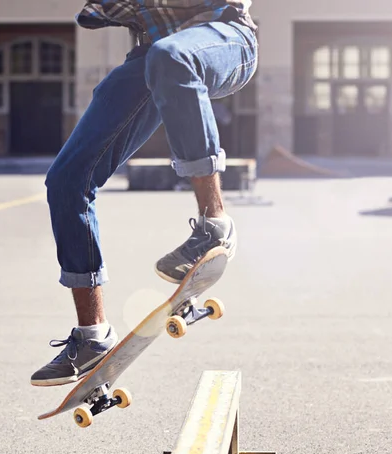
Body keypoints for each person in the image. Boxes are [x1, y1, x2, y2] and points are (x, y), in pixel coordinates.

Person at [31, 0, 258, 386]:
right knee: (67, 179)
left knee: (173, 56)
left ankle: (214, 224)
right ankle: (92, 337)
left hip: (225, 36)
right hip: (150, 54)